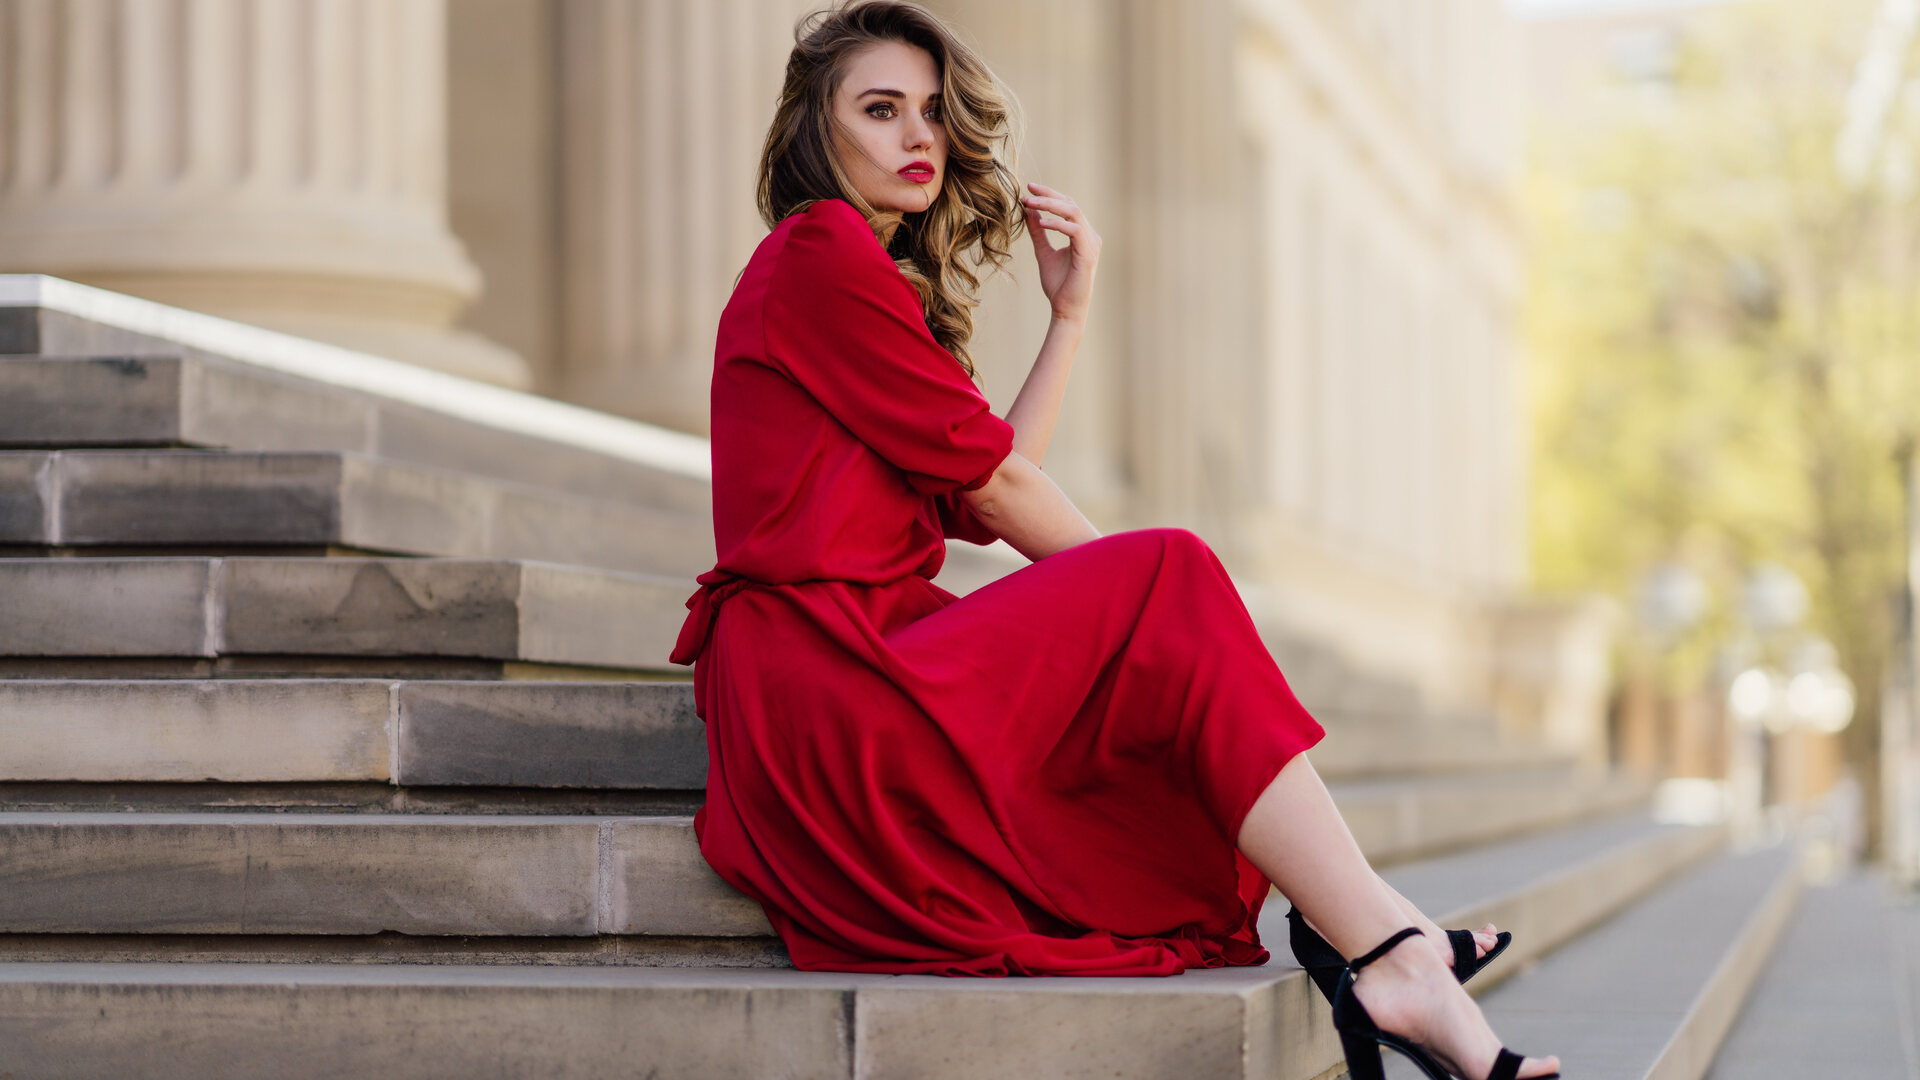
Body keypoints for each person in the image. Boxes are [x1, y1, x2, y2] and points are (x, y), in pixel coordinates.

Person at [667, 3, 1560, 1077]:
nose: (919, 138)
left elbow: (977, 490)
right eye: (882, 110)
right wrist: (1143, 615)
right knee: (1169, 572)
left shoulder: (855, 274)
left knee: (1159, 590)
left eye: (935, 115)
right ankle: (1388, 947)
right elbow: (998, 490)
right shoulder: (820, 250)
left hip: (861, 660)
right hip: (821, 680)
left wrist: (1070, 317)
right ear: (817, 128)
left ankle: (1386, 944)